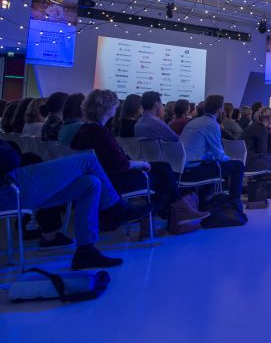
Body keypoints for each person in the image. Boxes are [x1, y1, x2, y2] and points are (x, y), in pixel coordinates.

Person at [0, 140, 151, 269]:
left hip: (11, 189)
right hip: (9, 188)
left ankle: (86, 251)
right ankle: (116, 209)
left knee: (91, 183)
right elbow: (11, 159)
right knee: (88, 159)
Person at [71, 89, 208, 227]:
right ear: (107, 108)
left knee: (163, 170)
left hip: (103, 177)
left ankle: (162, 215)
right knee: (164, 175)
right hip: (116, 179)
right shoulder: (101, 132)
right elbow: (120, 163)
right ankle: (161, 215)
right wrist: (138, 164)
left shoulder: (84, 130)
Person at [179, 95, 245, 210]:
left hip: (181, 170)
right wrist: (231, 160)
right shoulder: (211, 124)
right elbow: (219, 155)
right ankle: (234, 203)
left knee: (212, 162)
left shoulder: (193, 122)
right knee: (238, 165)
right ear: (219, 110)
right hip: (193, 171)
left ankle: (206, 202)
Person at [240, 107, 271, 204]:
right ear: (270, 118)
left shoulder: (253, 126)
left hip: (241, 162)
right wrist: (270, 129)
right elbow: (263, 151)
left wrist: (270, 128)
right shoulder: (262, 129)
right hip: (250, 164)